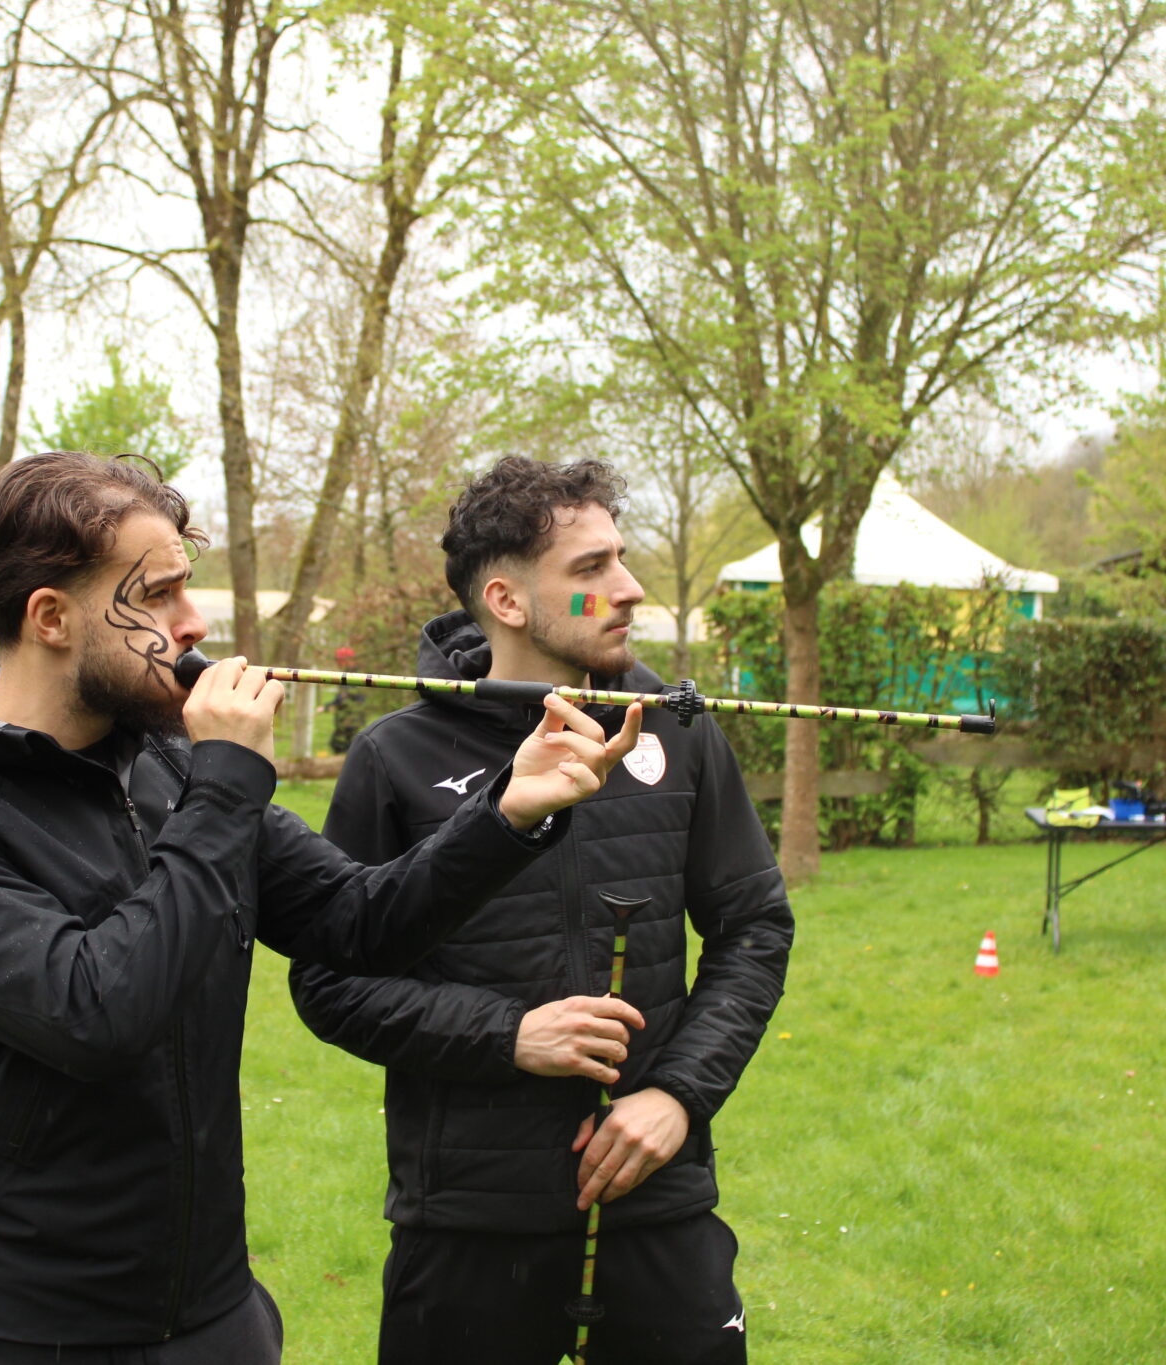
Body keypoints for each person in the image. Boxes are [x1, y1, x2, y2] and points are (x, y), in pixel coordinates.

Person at [0, 452, 641, 1364]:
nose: (194, 626)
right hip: (23, 1326)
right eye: (157, 596)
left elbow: (356, 921)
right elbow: (98, 1012)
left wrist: (505, 811)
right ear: (51, 617)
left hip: (214, 1315)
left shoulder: (167, 765)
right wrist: (225, 782)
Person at [290, 456, 793, 1365]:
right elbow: (331, 981)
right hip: (468, 1222)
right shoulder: (395, 756)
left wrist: (678, 1094)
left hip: (657, 1200)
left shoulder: (677, 728)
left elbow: (754, 927)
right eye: (592, 571)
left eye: (622, 559)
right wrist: (508, 1032)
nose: (629, 590)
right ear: (508, 601)